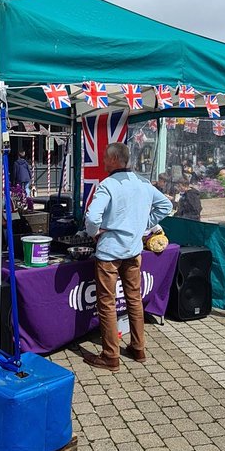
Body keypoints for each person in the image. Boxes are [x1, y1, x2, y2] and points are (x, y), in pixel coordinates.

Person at [84, 142, 173, 370]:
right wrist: (143, 224)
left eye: (105, 158)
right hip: (134, 252)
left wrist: (94, 233)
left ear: (114, 160)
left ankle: (110, 356)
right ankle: (138, 348)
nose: (103, 162)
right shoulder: (142, 183)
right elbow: (165, 205)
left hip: (110, 253)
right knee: (134, 299)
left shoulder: (107, 185)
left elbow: (92, 218)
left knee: (107, 303)